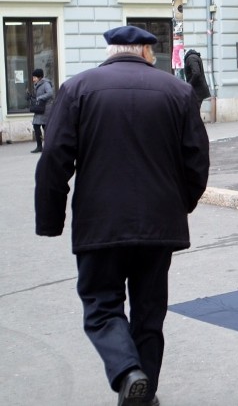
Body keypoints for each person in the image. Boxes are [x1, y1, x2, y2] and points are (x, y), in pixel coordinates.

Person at [34, 25, 210, 406]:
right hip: (159, 223)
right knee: (149, 312)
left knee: (101, 306)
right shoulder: (178, 92)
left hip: (100, 223)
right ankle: (142, 393)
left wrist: (50, 219)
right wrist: (182, 204)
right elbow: (197, 161)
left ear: (111, 51)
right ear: (147, 52)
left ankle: (128, 372)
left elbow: (54, 159)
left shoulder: (78, 88)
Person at [28, 68, 54, 153]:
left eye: (34, 77)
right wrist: (31, 97)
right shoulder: (37, 84)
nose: (33, 79)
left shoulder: (46, 83)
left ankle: (47, 146)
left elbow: (50, 93)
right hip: (40, 108)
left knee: (45, 127)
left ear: (39, 77)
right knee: (36, 126)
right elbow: (38, 96)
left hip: (46, 109)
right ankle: (40, 146)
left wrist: (40, 98)